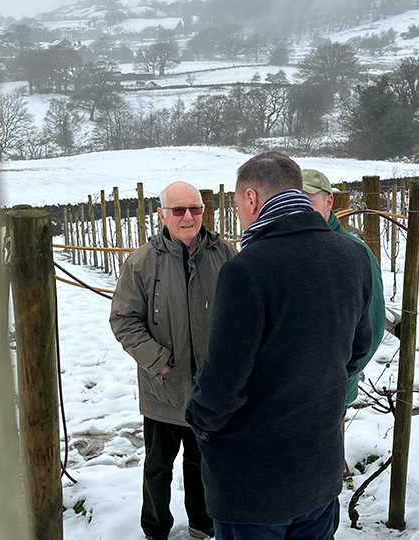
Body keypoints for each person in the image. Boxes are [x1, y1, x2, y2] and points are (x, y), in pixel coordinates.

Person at [185, 152, 374, 540]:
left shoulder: (246, 270)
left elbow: (222, 384)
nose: (239, 215)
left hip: (255, 485)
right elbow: (358, 349)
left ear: (252, 199)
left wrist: (200, 422)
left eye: (238, 205)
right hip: (320, 470)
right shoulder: (353, 256)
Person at [110, 181, 236, 540]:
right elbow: (123, 319)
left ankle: (202, 523)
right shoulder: (141, 262)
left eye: (194, 209)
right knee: (158, 467)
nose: (188, 217)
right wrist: (159, 361)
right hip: (163, 387)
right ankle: (155, 529)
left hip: (210, 388)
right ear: (162, 214)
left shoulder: (224, 253)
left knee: (203, 463)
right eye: (178, 210)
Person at [301, 169, 386, 416]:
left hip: (332, 391)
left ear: (329, 202)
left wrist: (340, 377)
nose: (302, 209)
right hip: (289, 392)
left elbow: (373, 324)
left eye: (309, 201)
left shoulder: (355, 253)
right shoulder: (290, 248)